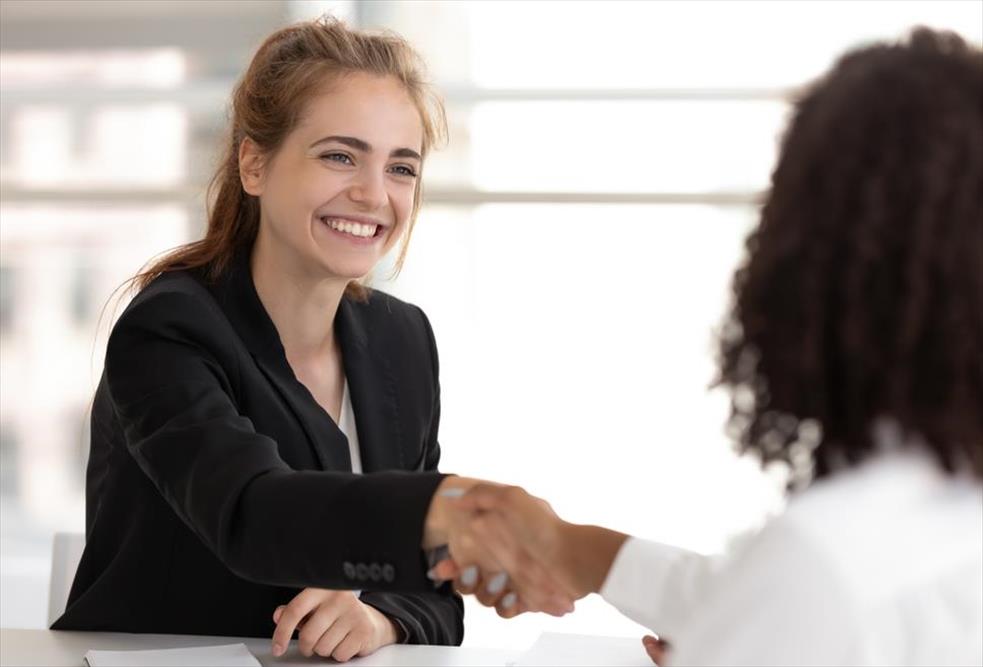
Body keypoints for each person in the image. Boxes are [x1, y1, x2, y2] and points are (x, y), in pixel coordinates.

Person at [433, 27, 983, 666]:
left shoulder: (822, 562)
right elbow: (749, 597)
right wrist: (566, 544)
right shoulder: (934, 506)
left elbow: (785, 595)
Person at [51, 17, 566, 662]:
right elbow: (252, 511)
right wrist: (448, 514)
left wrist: (377, 620)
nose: (374, 194)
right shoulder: (169, 330)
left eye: (401, 167)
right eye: (339, 156)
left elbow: (434, 595)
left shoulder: (401, 337)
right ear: (254, 164)